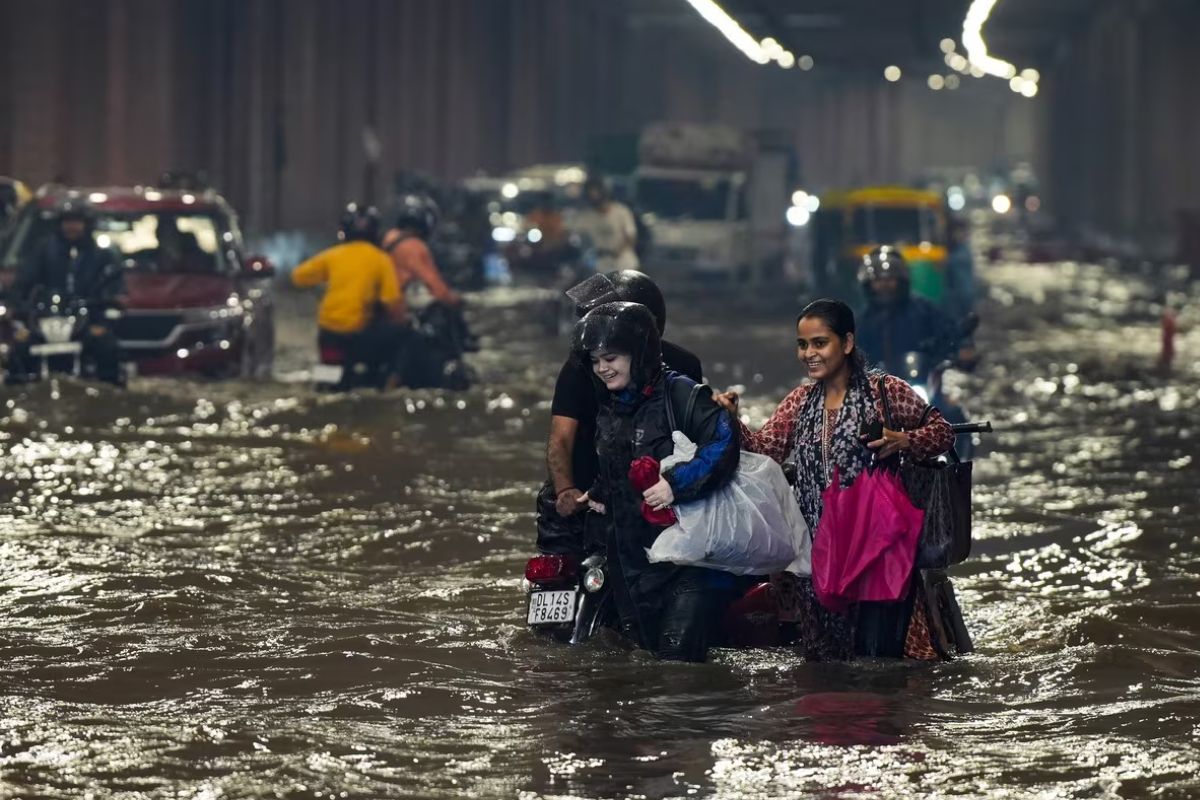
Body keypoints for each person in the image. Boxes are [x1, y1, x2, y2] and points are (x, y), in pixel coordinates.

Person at [714, 298, 961, 661]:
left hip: (876, 549)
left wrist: (904, 440)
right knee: (825, 663)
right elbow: (765, 451)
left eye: (820, 343)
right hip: (818, 555)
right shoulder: (799, 402)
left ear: (846, 343)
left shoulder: (885, 392)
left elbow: (943, 432)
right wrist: (732, 419)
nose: (809, 354)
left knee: (877, 662)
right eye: (802, 345)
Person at [574, 300, 739, 661]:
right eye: (596, 360)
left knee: (678, 670)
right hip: (632, 566)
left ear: (639, 353)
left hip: (688, 564)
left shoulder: (682, 394)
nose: (602, 368)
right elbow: (618, 463)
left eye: (611, 358)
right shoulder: (611, 406)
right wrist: (600, 492)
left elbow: (724, 442)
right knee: (645, 665)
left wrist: (674, 484)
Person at [538, 270, 703, 556]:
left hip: (657, 496)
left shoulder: (682, 369)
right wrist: (566, 490)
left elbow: (699, 439)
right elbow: (560, 438)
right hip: (587, 498)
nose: (603, 368)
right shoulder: (581, 368)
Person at [6, 197, 125, 385]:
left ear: (87, 224)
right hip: (45, 320)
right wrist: (16, 304)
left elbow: (114, 284)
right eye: (67, 221)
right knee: (20, 347)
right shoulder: (43, 250)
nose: (72, 227)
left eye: (77, 221)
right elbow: (24, 281)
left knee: (106, 346)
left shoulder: (102, 254)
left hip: (88, 320)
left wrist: (109, 303)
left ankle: (111, 389)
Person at [291, 203, 406, 389]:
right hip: (359, 336)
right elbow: (392, 302)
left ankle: (323, 383)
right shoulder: (381, 259)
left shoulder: (332, 255)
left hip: (328, 332)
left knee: (327, 380)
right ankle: (387, 384)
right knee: (405, 337)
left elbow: (298, 276)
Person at [855, 245, 964, 377]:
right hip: (880, 385)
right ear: (868, 284)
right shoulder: (862, 321)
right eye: (878, 280)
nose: (884, 284)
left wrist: (962, 347)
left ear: (901, 280)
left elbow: (948, 332)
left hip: (920, 381)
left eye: (889, 279)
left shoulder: (924, 311)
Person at [573, 176, 639, 271]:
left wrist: (619, 251)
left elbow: (630, 236)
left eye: (596, 191)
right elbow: (574, 233)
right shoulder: (586, 216)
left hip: (624, 264)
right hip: (602, 265)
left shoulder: (621, 211)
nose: (594, 195)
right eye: (591, 192)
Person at [943, 218, 977, 320]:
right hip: (956, 297)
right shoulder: (955, 250)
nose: (959, 235)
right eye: (957, 232)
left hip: (963, 295)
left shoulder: (962, 251)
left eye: (962, 232)